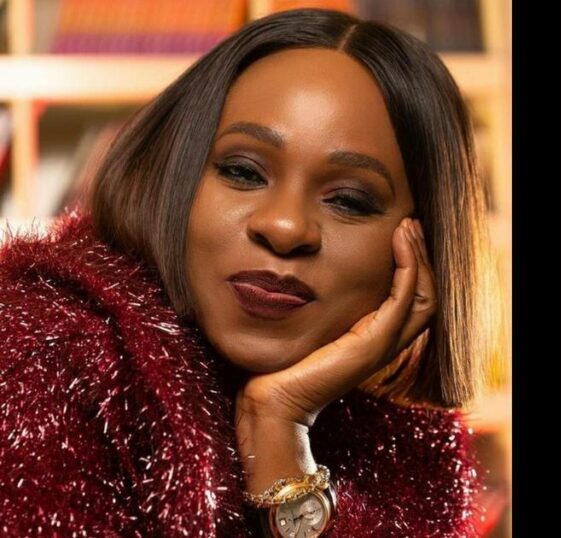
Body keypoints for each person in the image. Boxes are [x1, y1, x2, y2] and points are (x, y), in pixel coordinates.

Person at [0, 7, 501, 537]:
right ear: (173, 175)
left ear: (423, 242)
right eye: (242, 172)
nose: (284, 228)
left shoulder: (411, 449)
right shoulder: (43, 356)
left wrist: (281, 429)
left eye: (349, 200)